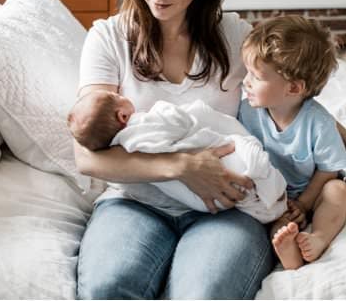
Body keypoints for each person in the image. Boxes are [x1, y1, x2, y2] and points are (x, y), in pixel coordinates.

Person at [73, 0, 346, 299]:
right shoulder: (108, 39)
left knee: (206, 292)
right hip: (135, 201)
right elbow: (87, 156)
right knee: (110, 287)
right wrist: (181, 167)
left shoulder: (235, 37)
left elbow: (291, 96)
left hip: (230, 208)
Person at [236, 15, 346, 270]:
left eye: (256, 76)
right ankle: (289, 254)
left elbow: (328, 170)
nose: (245, 81)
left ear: (293, 88)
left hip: (311, 192)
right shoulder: (246, 112)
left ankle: (319, 237)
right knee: (274, 222)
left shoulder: (318, 123)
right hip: (273, 195)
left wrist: (305, 203)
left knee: (339, 191)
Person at [67, 91, 288, 223]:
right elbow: (181, 123)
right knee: (245, 153)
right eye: (117, 96)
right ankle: (272, 199)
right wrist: (183, 165)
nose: (122, 94)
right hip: (147, 205)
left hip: (201, 203)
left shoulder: (120, 147)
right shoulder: (139, 127)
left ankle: (267, 204)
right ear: (123, 115)